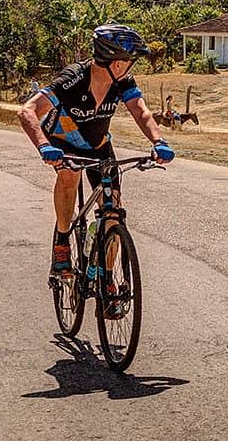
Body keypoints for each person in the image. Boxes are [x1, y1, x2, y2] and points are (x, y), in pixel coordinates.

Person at [18, 24, 174, 279]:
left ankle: (107, 278)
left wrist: (159, 140)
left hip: (99, 145)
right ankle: (62, 239)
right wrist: (44, 146)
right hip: (63, 144)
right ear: (116, 64)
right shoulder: (74, 78)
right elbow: (28, 111)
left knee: (113, 211)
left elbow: (140, 111)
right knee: (69, 178)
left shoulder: (122, 82)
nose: (131, 66)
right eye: (130, 61)